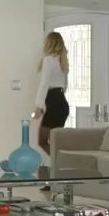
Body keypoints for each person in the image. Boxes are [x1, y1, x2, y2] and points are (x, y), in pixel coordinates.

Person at [34, 32, 70, 165]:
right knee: (54, 141)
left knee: (43, 140)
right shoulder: (62, 61)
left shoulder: (48, 60)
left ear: (49, 43)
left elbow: (44, 83)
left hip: (54, 102)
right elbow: (65, 86)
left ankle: (61, 164)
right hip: (61, 102)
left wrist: (38, 106)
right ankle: (60, 165)